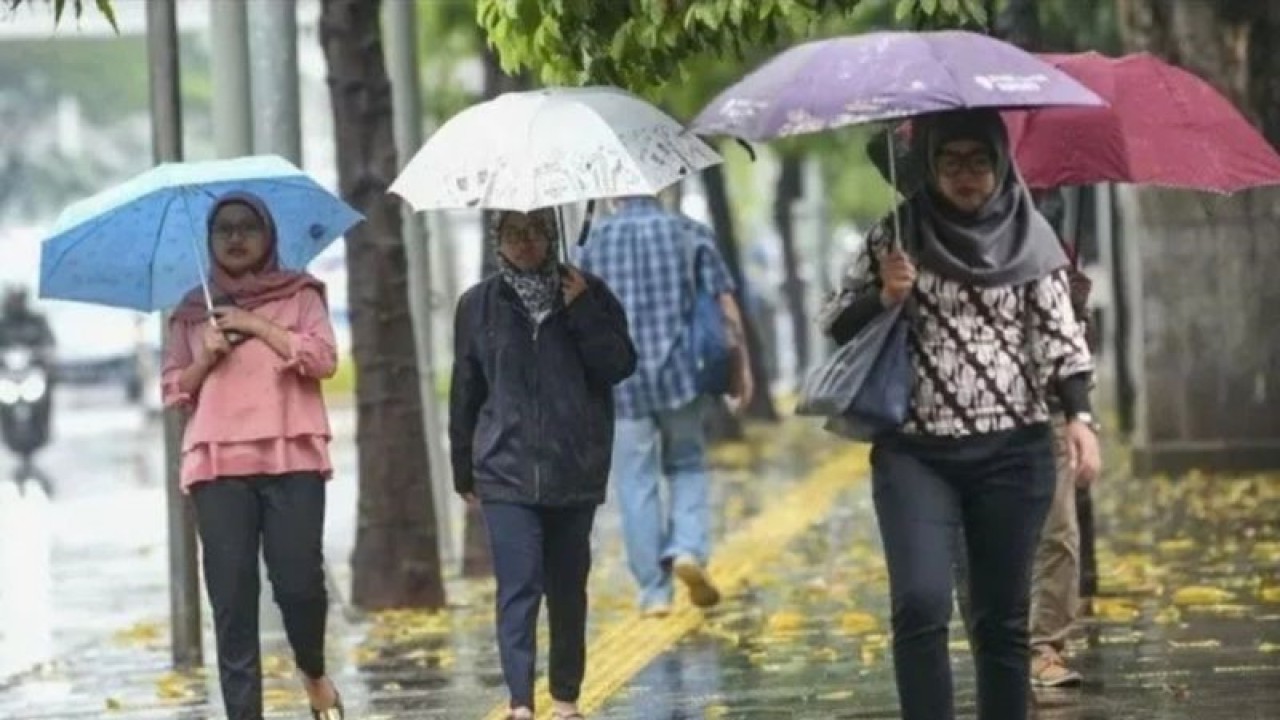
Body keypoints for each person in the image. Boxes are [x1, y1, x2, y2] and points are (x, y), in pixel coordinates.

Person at [819, 109, 1101, 720]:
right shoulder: (894, 236)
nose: (966, 176)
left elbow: (1062, 340)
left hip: (1012, 452)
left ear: (999, 163)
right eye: (950, 162)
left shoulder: (1033, 238)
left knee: (999, 619)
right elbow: (834, 323)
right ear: (929, 165)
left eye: (978, 162)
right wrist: (882, 296)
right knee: (920, 605)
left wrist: (1080, 419)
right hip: (916, 454)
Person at [161, 192, 344, 720]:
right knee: (232, 603)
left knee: (300, 587)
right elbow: (174, 391)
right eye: (224, 230)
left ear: (268, 236)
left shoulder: (302, 294)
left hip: (293, 457)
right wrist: (205, 357)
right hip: (217, 464)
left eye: (247, 227)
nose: (236, 238)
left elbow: (324, 359)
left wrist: (257, 324)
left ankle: (312, 670)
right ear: (211, 241)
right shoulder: (193, 311)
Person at [449, 208, 636, 720]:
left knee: (567, 588)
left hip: (574, 466)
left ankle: (565, 697)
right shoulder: (478, 305)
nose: (526, 243)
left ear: (552, 234)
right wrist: (463, 468)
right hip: (504, 468)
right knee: (519, 584)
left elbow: (619, 365)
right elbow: (465, 389)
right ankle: (520, 702)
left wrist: (582, 311)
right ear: (498, 241)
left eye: (536, 232)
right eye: (514, 234)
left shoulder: (588, 292)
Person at [578, 195, 753, 617]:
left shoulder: (591, 243)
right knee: (687, 464)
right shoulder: (689, 232)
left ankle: (654, 593)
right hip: (682, 376)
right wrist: (742, 368)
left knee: (635, 483)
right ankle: (687, 547)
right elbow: (725, 305)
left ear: (613, 192)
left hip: (621, 383)